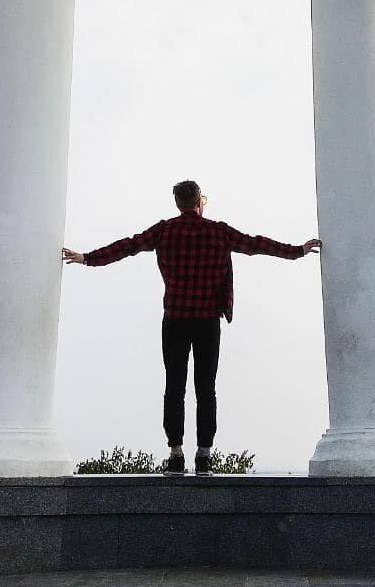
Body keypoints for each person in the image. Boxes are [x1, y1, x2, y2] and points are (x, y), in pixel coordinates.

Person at [63, 180, 320, 476]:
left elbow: (127, 246)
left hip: (175, 319)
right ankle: (204, 456)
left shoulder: (164, 230)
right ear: (199, 201)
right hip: (208, 321)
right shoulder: (218, 231)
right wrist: (298, 250)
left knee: (174, 387)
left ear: (177, 203)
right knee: (205, 389)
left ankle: (175, 453)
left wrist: (87, 258)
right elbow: (256, 244)